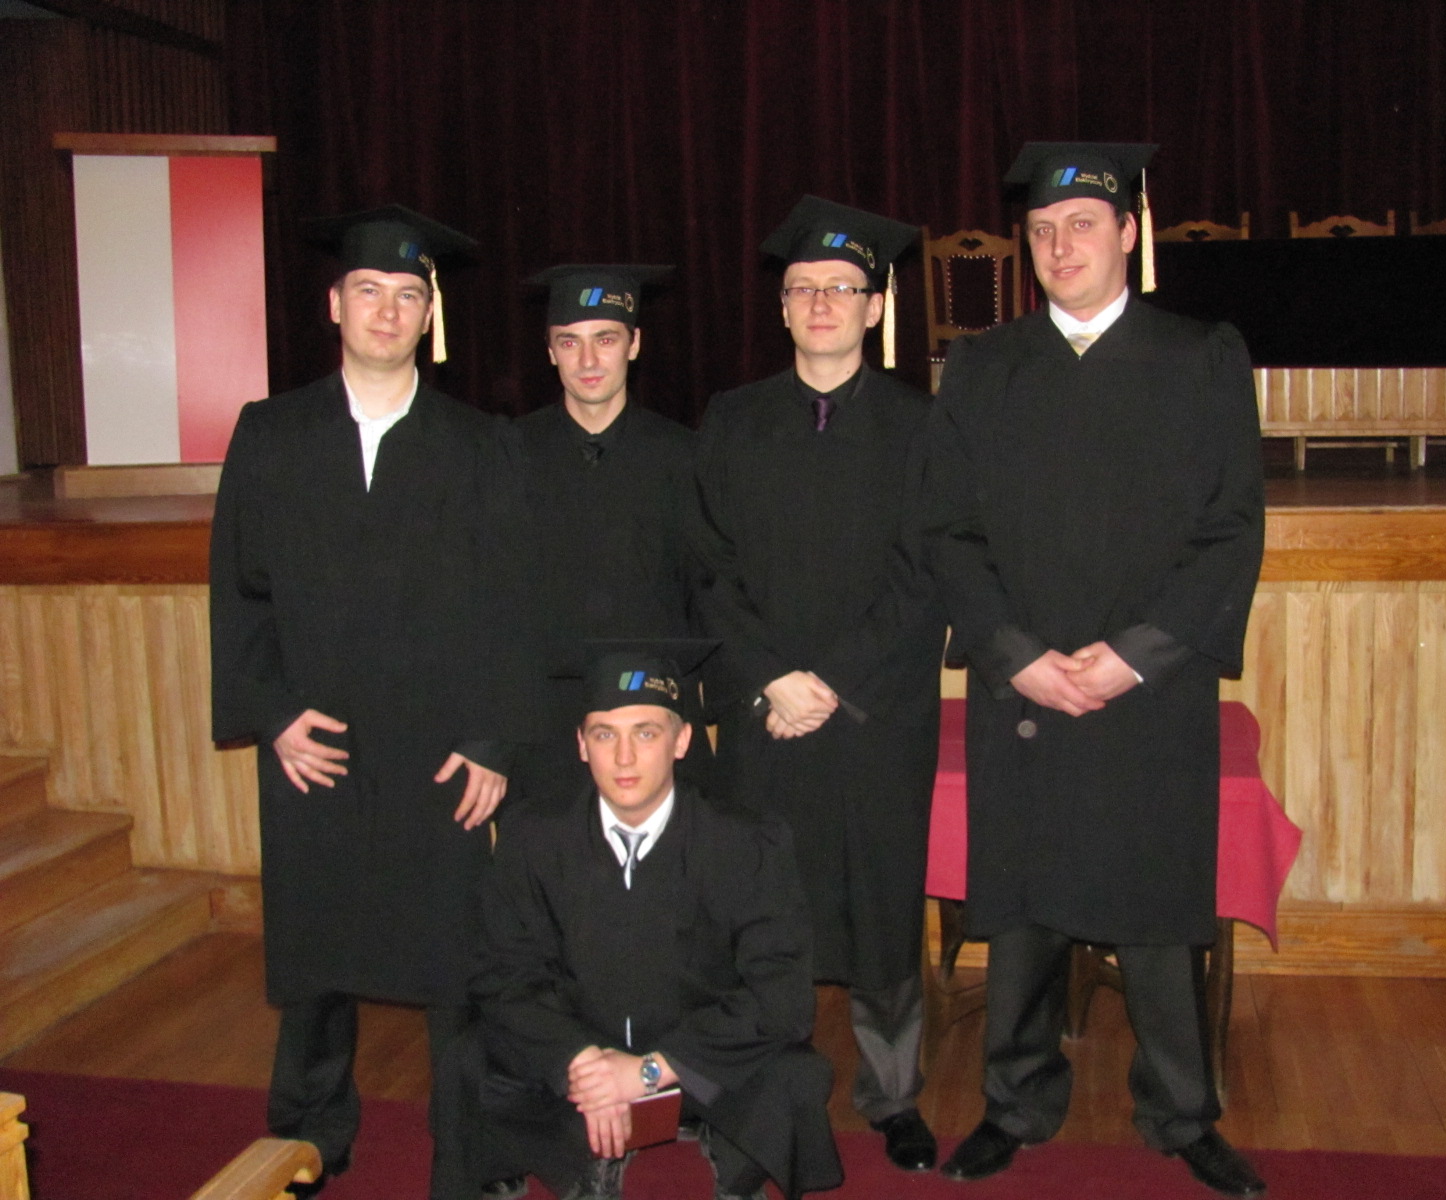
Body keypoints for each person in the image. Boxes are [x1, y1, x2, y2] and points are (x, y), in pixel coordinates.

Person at [924, 143, 1268, 1197]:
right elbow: (945, 531)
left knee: (1156, 908)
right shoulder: (983, 367)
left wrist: (1136, 657)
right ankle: (1014, 1103)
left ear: (1128, 232)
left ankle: (1181, 1112)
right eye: (1042, 230)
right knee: (1024, 909)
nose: (1060, 246)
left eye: (1083, 224)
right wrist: (1014, 656)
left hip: (1148, 689)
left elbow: (1231, 530)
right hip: (1023, 686)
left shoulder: (1199, 357)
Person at [209, 205, 532, 1197]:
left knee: (455, 968)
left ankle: (468, 1154)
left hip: (437, 748)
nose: (387, 311)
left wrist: (493, 740)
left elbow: (512, 607)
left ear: (428, 315)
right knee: (315, 957)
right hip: (318, 740)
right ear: (333, 304)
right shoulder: (271, 434)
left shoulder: (479, 446)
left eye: (406, 295)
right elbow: (239, 592)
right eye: (368, 292)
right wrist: (271, 715)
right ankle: (306, 1137)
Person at [693, 197, 946, 1172]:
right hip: (766, 717)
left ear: (875, 306)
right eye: (803, 289)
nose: (822, 303)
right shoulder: (734, 420)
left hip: (874, 714)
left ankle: (893, 1094)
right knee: (763, 905)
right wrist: (770, 680)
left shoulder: (923, 426)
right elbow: (709, 569)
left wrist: (829, 681)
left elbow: (925, 575)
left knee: (881, 907)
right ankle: (762, 1079)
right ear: (783, 307)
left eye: (842, 288)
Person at [461, 642, 843, 1200]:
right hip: (585, 1064)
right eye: (604, 735)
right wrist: (580, 1061)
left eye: (645, 733)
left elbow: (781, 996)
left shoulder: (746, 842)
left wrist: (648, 1071)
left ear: (681, 740)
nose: (624, 758)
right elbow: (503, 975)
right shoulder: (532, 838)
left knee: (796, 1076)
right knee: (468, 1058)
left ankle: (727, 1156)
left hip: (697, 1065)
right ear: (580, 745)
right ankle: (583, 1154)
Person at [515, 265, 710, 811]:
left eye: (605, 339)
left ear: (634, 343)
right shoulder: (508, 454)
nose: (588, 361)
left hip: (654, 718)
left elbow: (708, 590)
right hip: (543, 726)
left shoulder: (686, 456)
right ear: (550, 351)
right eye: (569, 342)